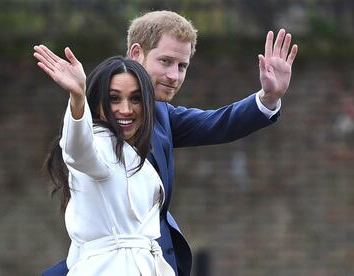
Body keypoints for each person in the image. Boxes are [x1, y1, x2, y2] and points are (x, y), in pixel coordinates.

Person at [36, 10, 298, 276]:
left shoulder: (161, 115)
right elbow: (78, 150)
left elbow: (218, 123)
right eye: (166, 61)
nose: (174, 76)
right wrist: (77, 100)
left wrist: (268, 97)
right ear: (136, 53)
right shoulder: (90, 124)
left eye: (182, 66)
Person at [34, 51, 176, 275]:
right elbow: (78, 150)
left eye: (135, 98)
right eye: (114, 98)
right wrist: (77, 99)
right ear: (98, 102)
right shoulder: (100, 145)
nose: (126, 109)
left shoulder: (134, 154)